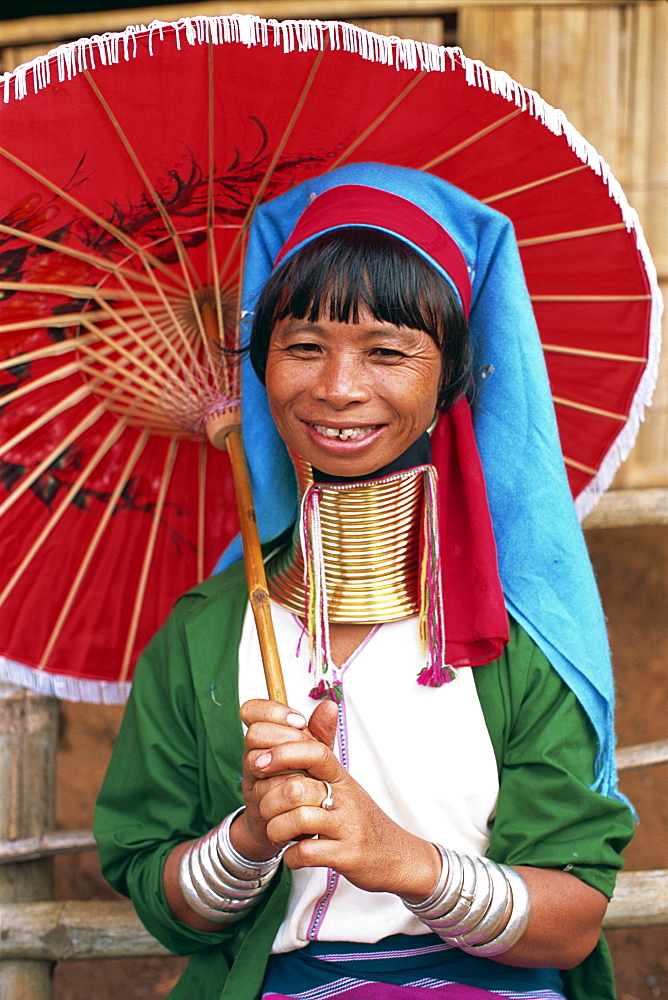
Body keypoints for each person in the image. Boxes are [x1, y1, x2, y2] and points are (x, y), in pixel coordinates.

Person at [94, 164, 635, 1000]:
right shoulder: (207, 632)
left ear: (453, 373)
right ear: (260, 365)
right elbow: (159, 899)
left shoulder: (518, 635)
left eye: (387, 352)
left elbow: (573, 918)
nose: (339, 389)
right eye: (303, 346)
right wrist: (246, 841)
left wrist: (404, 861)